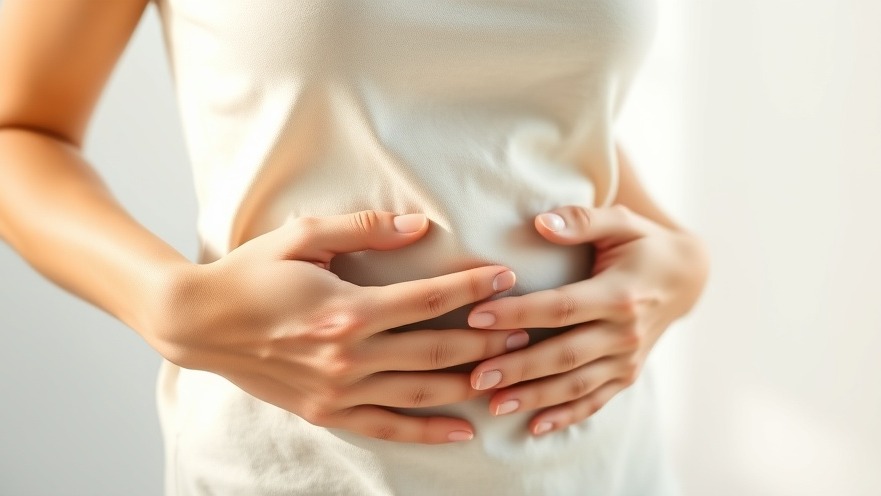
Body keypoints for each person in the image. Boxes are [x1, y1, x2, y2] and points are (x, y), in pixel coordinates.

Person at [0, 0, 709, 494]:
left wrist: (679, 264)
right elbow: (18, 131)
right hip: (295, 471)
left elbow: (539, 120)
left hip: (598, 465)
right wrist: (168, 304)